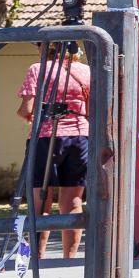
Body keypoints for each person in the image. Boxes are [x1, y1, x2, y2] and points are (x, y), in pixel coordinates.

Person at [16, 46, 91, 259]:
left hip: (44, 137)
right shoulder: (86, 71)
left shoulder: (37, 69)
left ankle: (37, 257)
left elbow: (27, 109)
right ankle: (69, 258)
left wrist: (23, 116)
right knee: (73, 201)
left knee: (40, 200)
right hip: (79, 136)